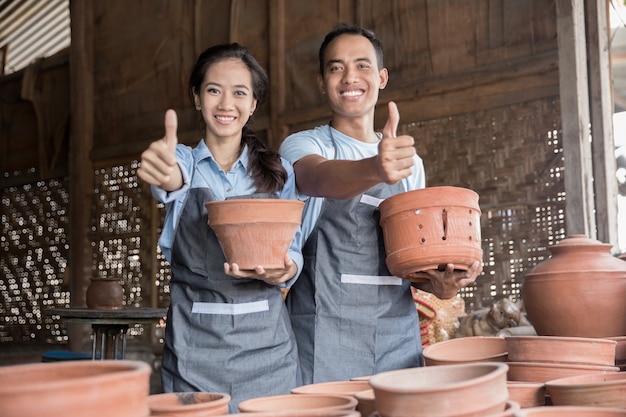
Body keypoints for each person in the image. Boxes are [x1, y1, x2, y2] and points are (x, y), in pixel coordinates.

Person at [279, 24, 482, 384]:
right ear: (321, 82)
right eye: (336, 68)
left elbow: (413, 258)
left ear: (382, 77)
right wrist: (375, 167)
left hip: (396, 338)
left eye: (362, 66)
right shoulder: (305, 145)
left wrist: (443, 285)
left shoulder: (408, 163)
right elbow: (317, 177)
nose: (349, 77)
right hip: (322, 333)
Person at [137, 43, 303, 411]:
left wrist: (285, 269)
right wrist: (164, 173)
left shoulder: (279, 174)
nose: (226, 104)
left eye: (239, 93)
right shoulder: (184, 162)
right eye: (214, 90)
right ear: (197, 98)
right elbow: (169, 178)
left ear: (254, 104)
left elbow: (294, 251)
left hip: (269, 352)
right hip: (194, 354)